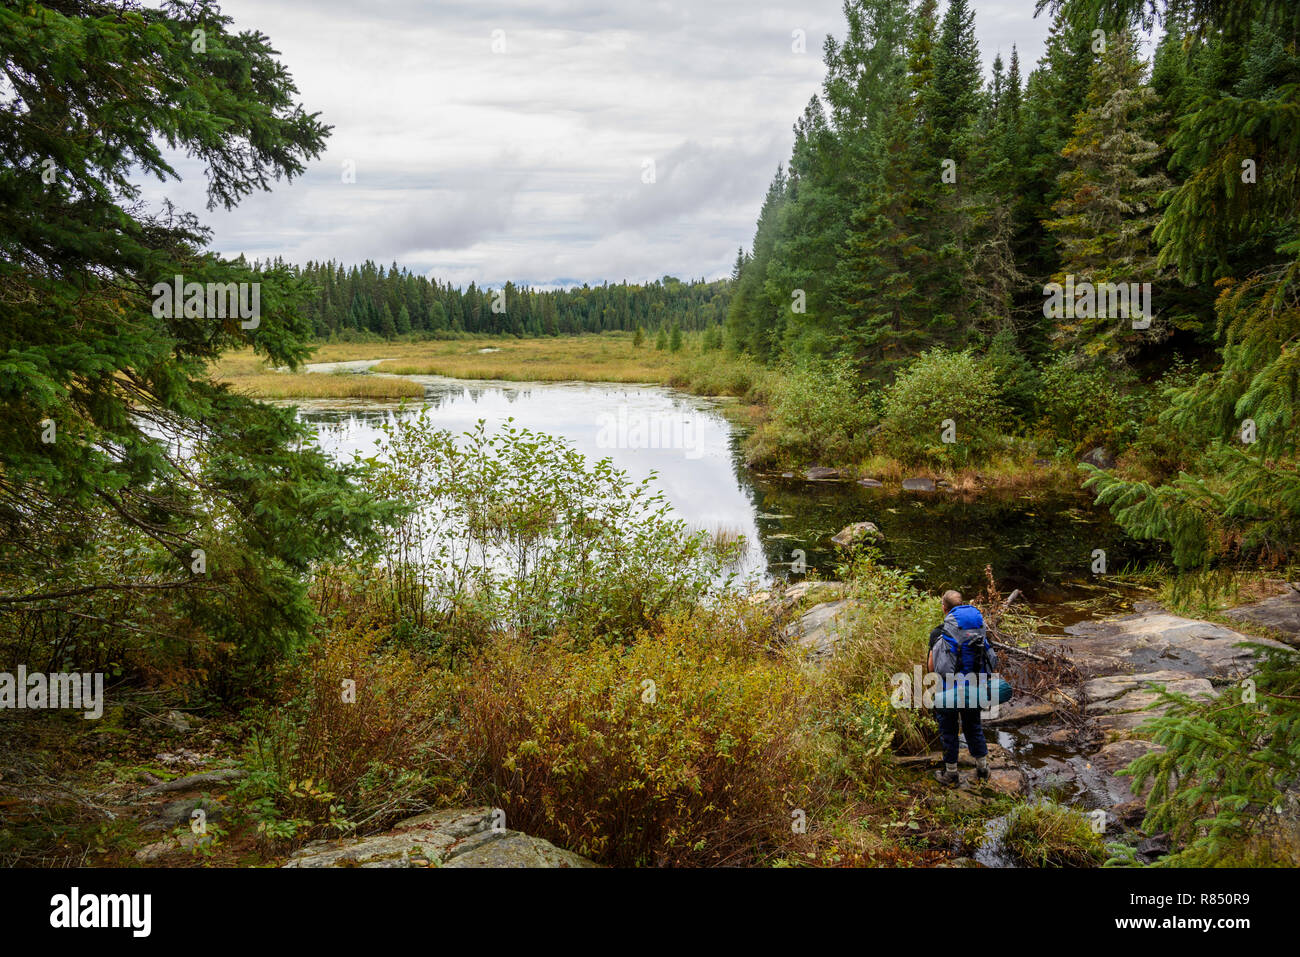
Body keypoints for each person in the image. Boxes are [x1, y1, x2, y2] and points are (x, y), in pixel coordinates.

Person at [928, 590, 990, 786]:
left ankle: (951, 773)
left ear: (944, 608)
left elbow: (932, 667)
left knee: (949, 731)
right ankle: (982, 768)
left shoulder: (939, 632)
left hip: (948, 691)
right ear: (961, 605)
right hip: (974, 687)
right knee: (974, 727)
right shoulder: (978, 629)